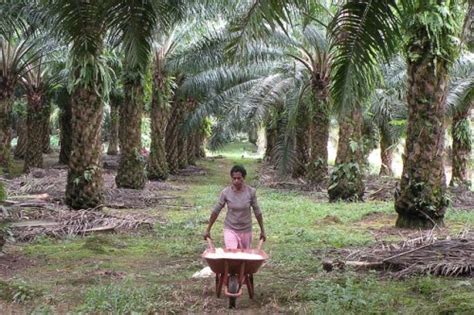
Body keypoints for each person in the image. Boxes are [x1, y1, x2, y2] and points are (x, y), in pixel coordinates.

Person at [204, 165, 266, 249]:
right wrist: (208, 229)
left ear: (244, 178)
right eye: (234, 178)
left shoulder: (251, 192)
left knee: (243, 256)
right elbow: (216, 211)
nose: (236, 181)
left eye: (239, 178)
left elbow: (257, 212)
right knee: (232, 253)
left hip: (246, 229)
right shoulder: (226, 192)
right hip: (230, 228)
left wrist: (262, 230)